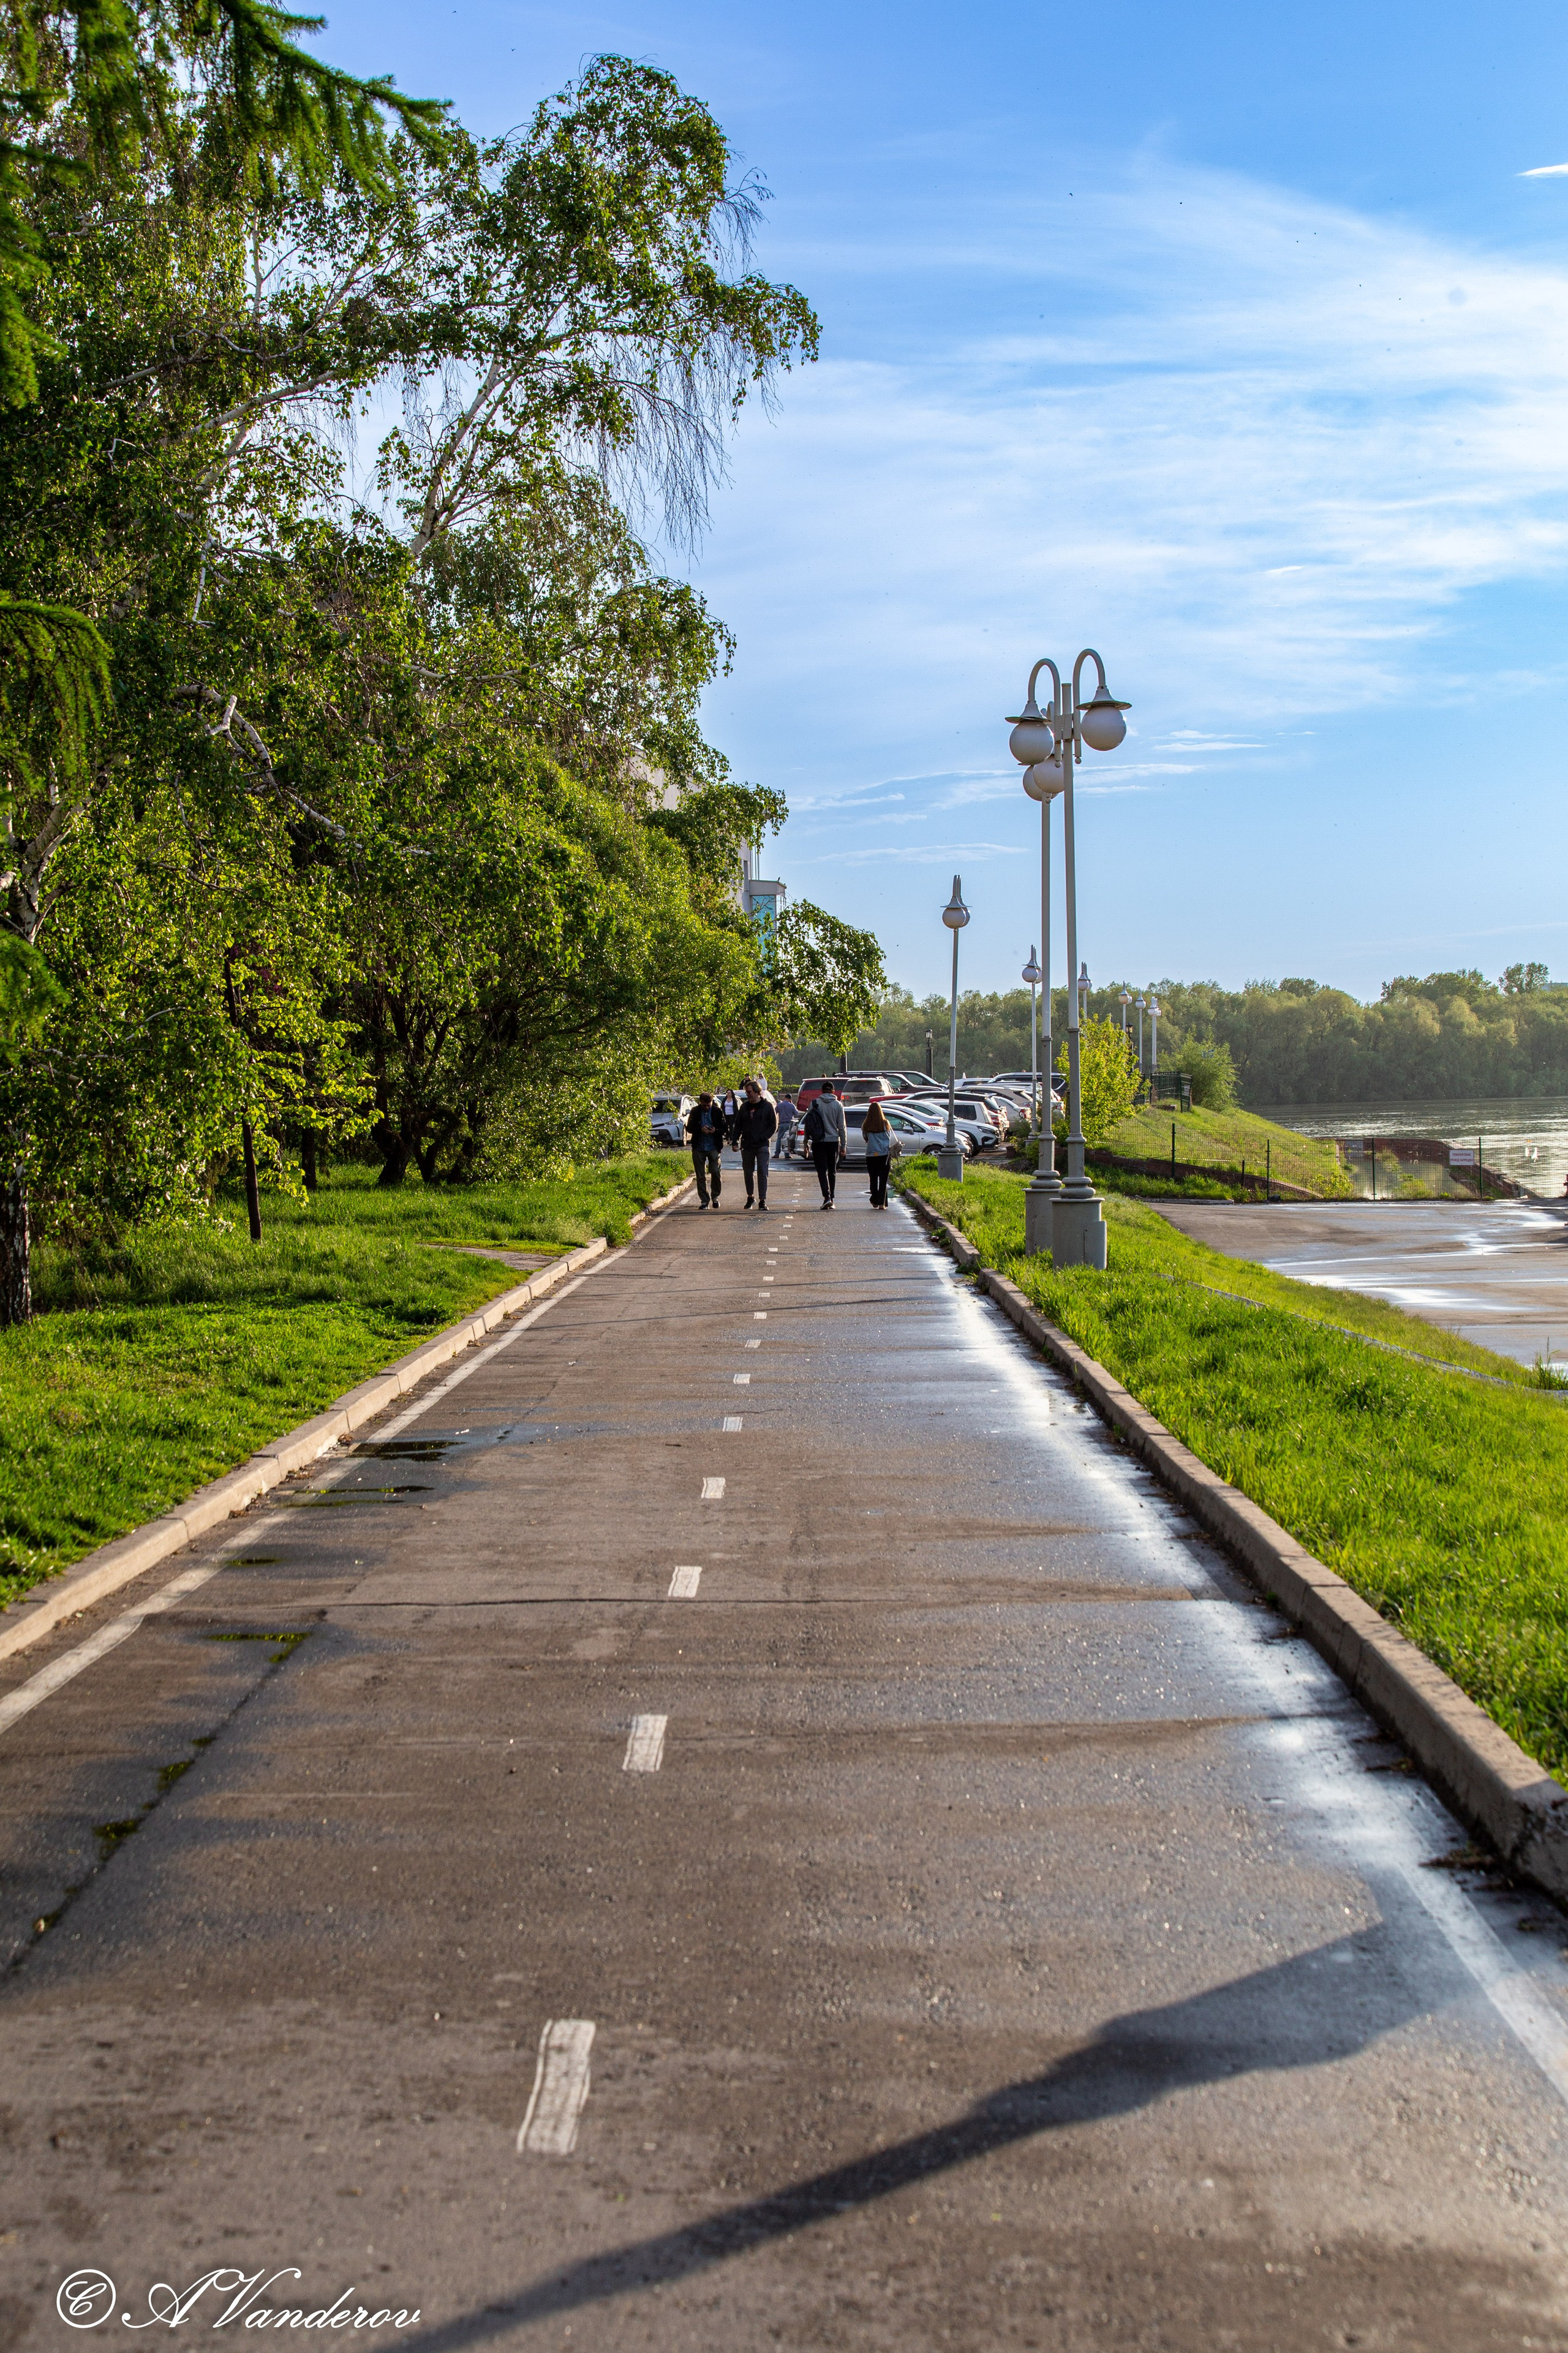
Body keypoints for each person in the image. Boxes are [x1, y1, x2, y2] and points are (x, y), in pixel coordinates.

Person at [802, 1078, 847, 1207]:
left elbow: (808, 1125)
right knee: (832, 1171)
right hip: (833, 1142)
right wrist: (843, 1145)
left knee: (821, 1171)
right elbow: (842, 1127)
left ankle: (826, 1196)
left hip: (818, 1142)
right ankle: (832, 1198)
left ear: (821, 1091)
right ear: (833, 1091)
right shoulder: (838, 1105)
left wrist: (806, 1143)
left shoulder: (815, 1103)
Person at [734, 1078, 778, 1210]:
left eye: (749, 1092)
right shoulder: (744, 1107)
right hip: (747, 1145)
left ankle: (763, 1200)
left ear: (758, 1092)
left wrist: (763, 1137)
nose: (747, 1094)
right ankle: (750, 1197)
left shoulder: (767, 1106)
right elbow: (738, 1125)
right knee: (748, 1172)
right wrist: (735, 1140)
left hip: (762, 1145)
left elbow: (773, 1126)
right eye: (746, 1092)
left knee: (762, 1172)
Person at [685, 1090, 727, 1207]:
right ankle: (704, 1201)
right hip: (699, 1147)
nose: (707, 1107)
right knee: (700, 1175)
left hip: (714, 1146)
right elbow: (689, 1128)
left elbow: (724, 1128)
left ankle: (715, 1197)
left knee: (715, 1172)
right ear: (700, 1103)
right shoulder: (695, 1111)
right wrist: (700, 1129)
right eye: (704, 1105)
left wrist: (715, 1131)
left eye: (709, 1105)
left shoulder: (718, 1111)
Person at [863, 1097, 896, 1209]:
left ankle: (875, 1199)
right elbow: (889, 1137)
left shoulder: (866, 1125)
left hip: (871, 1155)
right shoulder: (886, 1123)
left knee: (873, 1179)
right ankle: (882, 1204)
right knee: (883, 1180)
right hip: (884, 1155)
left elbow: (865, 1138)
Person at [773, 1090, 797, 1160]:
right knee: (787, 1139)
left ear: (785, 1098)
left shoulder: (780, 1105)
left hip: (782, 1124)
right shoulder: (792, 1105)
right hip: (789, 1124)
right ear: (790, 1099)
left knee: (779, 1139)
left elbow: (775, 1112)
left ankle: (777, 1154)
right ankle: (787, 1155)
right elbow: (796, 1114)